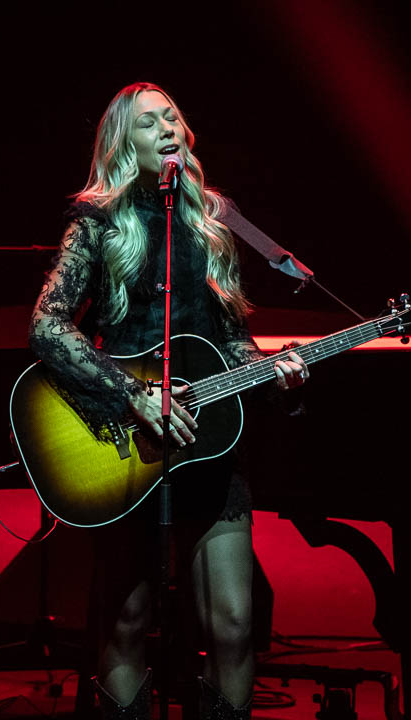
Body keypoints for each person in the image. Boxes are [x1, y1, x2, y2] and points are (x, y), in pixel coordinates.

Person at [28, 82, 308, 720]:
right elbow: (47, 325)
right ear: (123, 141)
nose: (168, 129)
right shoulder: (97, 221)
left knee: (234, 623)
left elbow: (233, 341)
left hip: (210, 439)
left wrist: (275, 373)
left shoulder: (214, 220)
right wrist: (133, 394)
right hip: (127, 440)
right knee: (127, 620)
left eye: (173, 117)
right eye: (150, 122)